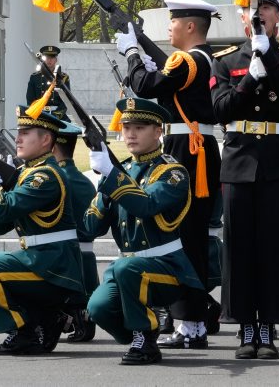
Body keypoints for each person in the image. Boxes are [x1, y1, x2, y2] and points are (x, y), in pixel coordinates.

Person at [210, 0, 279, 360]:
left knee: (269, 245)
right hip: (237, 161)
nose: (260, 12)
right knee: (238, 247)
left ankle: (267, 325)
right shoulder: (226, 61)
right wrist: (250, 77)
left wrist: (267, 57)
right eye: (253, 8)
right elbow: (222, 110)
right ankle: (245, 326)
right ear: (241, 17)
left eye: (267, 6)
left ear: (278, 15)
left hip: (273, 160)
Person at [115, 0, 222, 349]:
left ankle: (191, 324)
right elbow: (163, 80)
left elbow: (146, 85)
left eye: (174, 22)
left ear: (190, 26)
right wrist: (142, 52)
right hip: (194, 148)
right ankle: (191, 318)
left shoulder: (191, 59)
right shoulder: (198, 60)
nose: (169, 28)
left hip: (186, 151)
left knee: (182, 237)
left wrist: (132, 51)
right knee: (186, 235)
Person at [84, 98, 203, 366]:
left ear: (158, 131)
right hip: (129, 268)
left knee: (129, 270)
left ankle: (145, 338)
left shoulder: (172, 172)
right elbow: (91, 226)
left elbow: (146, 205)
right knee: (97, 308)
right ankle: (141, 329)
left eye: (139, 127)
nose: (130, 134)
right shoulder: (121, 170)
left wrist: (113, 177)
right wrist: (105, 183)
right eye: (126, 128)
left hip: (168, 269)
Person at [0, 107, 85, 355]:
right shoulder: (29, 174)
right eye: (19, 133)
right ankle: (46, 321)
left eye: (26, 133)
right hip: (40, 262)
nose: (18, 138)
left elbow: (4, 211)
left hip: (54, 268)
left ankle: (23, 335)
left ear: (46, 139)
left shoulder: (45, 176)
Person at [53, 121, 99, 342]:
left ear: (52, 147)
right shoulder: (85, 181)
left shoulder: (57, 180)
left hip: (67, 253)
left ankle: (73, 321)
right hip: (87, 253)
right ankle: (82, 320)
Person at [26, 45, 71, 121]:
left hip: (58, 115)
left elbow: (66, 100)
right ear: (43, 59)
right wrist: (37, 113)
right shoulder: (35, 77)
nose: (49, 60)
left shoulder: (63, 78)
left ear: (56, 59)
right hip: (39, 114)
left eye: (52, 57)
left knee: (72, 132)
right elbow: (30, 99)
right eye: (47, 57)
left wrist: (56, 115)